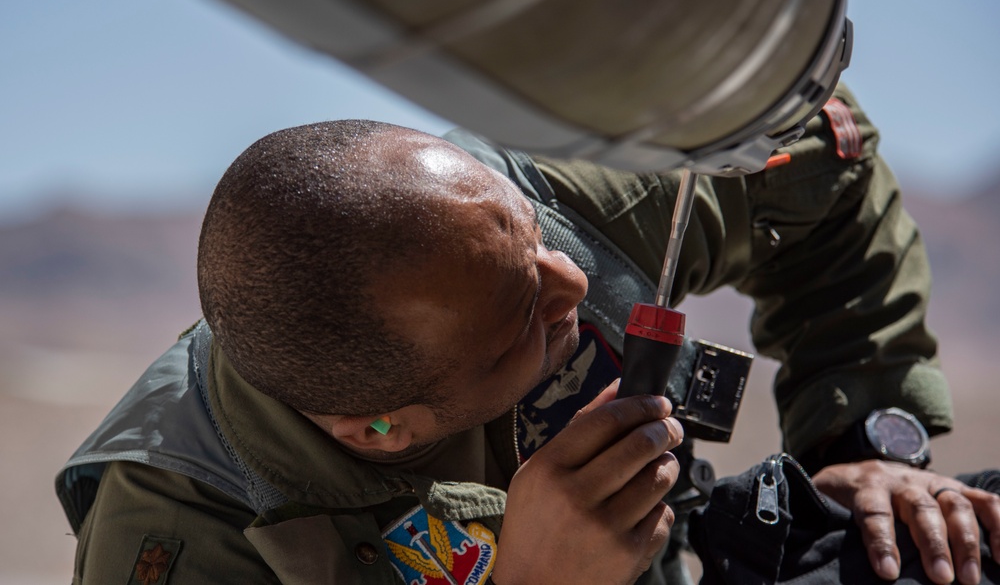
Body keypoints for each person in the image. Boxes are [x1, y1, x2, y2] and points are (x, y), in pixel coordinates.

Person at [58, 86, 1000, 585]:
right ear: (378, 428)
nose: (575, 281)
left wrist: (861, 441)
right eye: (524, 318)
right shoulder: (185, 532)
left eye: (533, 242)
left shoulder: (537, 204)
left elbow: (820, 161)